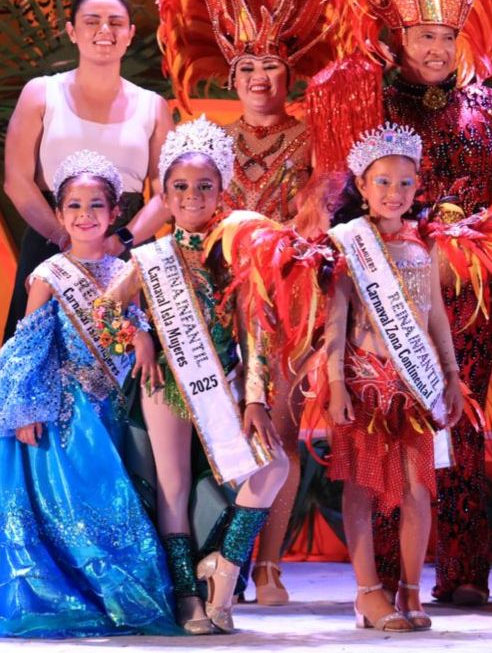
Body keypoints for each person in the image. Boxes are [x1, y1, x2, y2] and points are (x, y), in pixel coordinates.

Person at [310, 0, 492, 603]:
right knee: (379, 443)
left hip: (465, 299)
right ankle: (382, 583)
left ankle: (462, 573)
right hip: (379, 296)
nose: (435, 48)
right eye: (420, 34)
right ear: (397, 34)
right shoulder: (366, 98)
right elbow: (335, 193)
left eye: (445, 33)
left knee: (458, 429)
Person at [156, 0, 344, 607]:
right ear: (229, 77)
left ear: (289, 71)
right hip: (212, 303)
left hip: (288, 302)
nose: (261, 78)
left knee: (281, 433)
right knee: (211, 434)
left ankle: (265, 566)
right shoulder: (207, 142)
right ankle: (209, 560)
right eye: (247, 69)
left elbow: (324, 215)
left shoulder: (317, 140)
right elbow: (173, 214)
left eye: (272, 64)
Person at [0, 151, 179, 638]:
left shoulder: (123, 270)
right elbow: (27, 347)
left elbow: (131, 324)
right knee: (78, 500)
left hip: (110, 406)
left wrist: (142, 336)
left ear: (115, 213)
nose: (86, 216)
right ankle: (67, 590)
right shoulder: (48, 275)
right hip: (61, 410)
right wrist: (25, 408)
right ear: (60, 216)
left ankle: (108, 593)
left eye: (96, 206)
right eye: (75, 207)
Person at [94, 117, 290, 634]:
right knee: (173, 489)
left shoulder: (238, 252)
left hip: (223, 385)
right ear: (163, 192)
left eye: (205, 186)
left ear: (222, 190)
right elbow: (105, 312)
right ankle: (186, 596)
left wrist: (255, 399)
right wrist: (138, 338)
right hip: (164, 386)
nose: (192, 196)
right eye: (179, 187)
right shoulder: (150, 256)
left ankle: (223, 569)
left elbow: (257, 331)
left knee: (274, 468)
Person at [318, 123, 466, 632]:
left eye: (405, 183)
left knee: (417, 488)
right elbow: (334, 320)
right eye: (382, 182)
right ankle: (367, 593)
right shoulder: (346, 245)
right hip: (364, 380)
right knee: (360, 486)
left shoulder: (426, 246)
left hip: (415, 385)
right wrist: (335, 382)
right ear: (362, 186)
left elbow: (436, 316)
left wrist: (450, 374)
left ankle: (410, 589)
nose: (394, 193)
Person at [2, 0, 173, 339]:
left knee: (129, 360)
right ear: (72, 32)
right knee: (42, 361)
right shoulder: (41, 93)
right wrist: (61, 237)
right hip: (51, 244)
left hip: (127, 246)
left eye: (115, 23)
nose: (104, 31)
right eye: (92, 22)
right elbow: (17, 180)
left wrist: (121, 240)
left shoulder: (153, 106)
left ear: (129, 34)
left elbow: (165, 191)